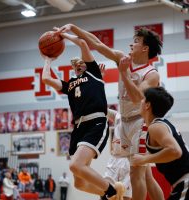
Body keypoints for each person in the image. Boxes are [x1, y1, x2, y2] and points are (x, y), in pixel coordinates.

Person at [57, 24, 164, 200]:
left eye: (136, 42)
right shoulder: (122, 58)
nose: (131, 45)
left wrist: (123, 73)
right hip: (124, 122)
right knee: (145, 175)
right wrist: (73, 29)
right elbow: (97, 43)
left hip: (140, 122)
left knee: (137, 173)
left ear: (145, 48)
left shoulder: (151, 75)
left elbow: (137, 98)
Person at [41, 31, 125, 200]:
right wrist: (48, 60)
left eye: (81, 62)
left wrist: (65, 35)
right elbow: (46, 79)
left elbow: (83, 44)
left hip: (95, 122)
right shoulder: (70, 84)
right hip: (79, 128)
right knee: (79, 183)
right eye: (75, 64)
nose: (78, 65)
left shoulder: (94, 73)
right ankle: (107, 195)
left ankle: (112, 191)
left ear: (88, 64)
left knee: (75, 165)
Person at [132, 87, 189, 200]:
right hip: (181, 183)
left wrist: (144, 159)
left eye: (143, 99)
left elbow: (175, 151)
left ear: (147, 105)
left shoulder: (156, 127)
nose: (140, 101)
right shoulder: (159, 126)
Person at [105, 108, 132, 200]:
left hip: (128, 158)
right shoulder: (117, 115)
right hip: (114, 158)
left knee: (125, 196)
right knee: (104, 192)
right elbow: (102, 107)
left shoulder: (139, 115)